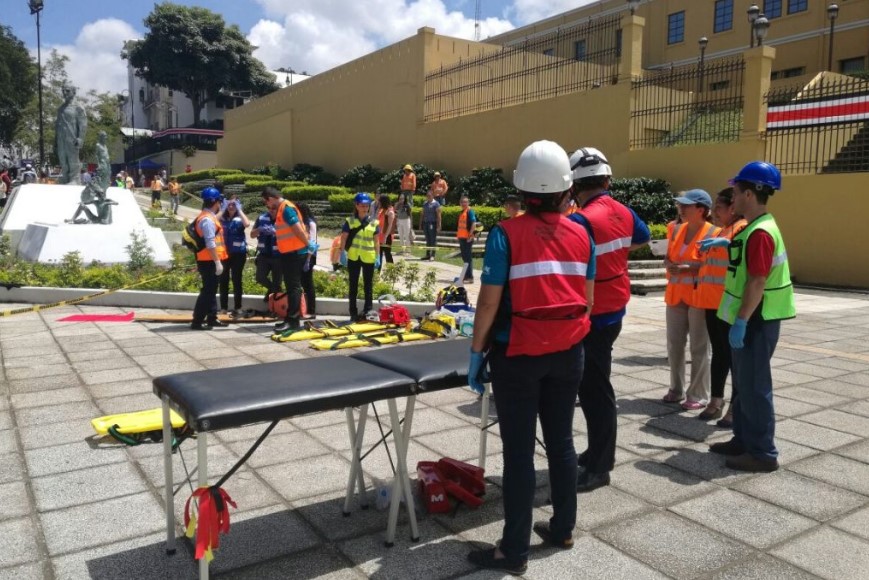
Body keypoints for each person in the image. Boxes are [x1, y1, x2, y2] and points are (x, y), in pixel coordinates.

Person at [466, 140, 595, 575]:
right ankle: (563, 529)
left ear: (521, 190)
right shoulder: (582, 233)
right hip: (569, 352)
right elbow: (588, 300)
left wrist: (476, 352)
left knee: (519, 453)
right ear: (566, 189)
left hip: (518, 356)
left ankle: (513, 551)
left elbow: (488, 303)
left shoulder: (505, 234)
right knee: (561, 443)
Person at [566, 147, 651, 493]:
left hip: (593, 316)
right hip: (615, 310)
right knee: (595, 386)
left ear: (573, 186)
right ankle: (596, 453)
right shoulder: (624, 211)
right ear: (607, 180)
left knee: (595, 391)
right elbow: (642, 238)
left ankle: (600, 467)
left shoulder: (580, 221)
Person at [708, 161, 794, 473]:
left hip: (757, 319)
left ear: (748, 194)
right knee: (744, 384)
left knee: (755, 387)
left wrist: (742, 321)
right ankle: (743, 440)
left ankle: (763, 453)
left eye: (735, 191)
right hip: (751, 319)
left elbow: (757, 281)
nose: (732, 196)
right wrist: (727, 242)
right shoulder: (753, 227)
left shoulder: (760, 232)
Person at [694, 187, 747, 424]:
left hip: (728, 304)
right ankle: (716, 401)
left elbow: (739, 252)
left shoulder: (741, 228)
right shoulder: (723, 229)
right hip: (712, 303)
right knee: (720, 354)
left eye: (719, 207)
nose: (714, 212)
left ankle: (736, 407)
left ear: (733, 208)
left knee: (733, 358)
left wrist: (724, 243)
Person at [663, 189, 718, 409]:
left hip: (699, 296)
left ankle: (698, 394)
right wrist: (669, 264)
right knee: (674, 345)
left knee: (699, 346)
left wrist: (687, 268)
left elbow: (713, 265)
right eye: (680, 205)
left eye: (686, 205)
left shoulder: (714, 233)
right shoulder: (676, 229)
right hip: (676, 295)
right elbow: (668, 257)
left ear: (701, 210)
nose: (681, 209)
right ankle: (676, 389)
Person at [261, 187, 312, 332]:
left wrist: (308, 244)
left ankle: (293, 322)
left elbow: (297, 229)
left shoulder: (286, 209)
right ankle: (290, 319)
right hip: (290, 252)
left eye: (266, 202)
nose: (267, 206)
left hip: (295, 252)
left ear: (270, 198)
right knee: (291, 287)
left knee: (293, 287)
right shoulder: (284, 208)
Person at [191, 187, 229, 331]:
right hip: (209, 261)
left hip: (209, 259)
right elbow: (210, 243)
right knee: (208, 291)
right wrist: (217, 262)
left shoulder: (208, 216)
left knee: (211, 290)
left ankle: (212, 318)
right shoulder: (207, 219)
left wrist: (222, 210)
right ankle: (197, 321)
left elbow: (214, 222)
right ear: (216, 202)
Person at [339, 193, 380, 321]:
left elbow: (376, 241)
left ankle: (368, 310)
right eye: (362, 205)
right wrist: (342, 253)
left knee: (368, 286)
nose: (364, 208)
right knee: (353, 286)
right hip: (353, 257)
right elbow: (343, 238)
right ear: (356, 206)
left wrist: (378, 256)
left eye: (366, 206)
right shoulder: (350, 221)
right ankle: (353, 312)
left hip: (369, 257)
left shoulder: (374, 222)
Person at [217, 197, 250, 318]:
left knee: (237, 280)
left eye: (234, 205)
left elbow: (247, 224)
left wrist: (239, 210)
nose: (231, 207)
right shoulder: (222, 218)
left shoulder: (240, 218)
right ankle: (223, 308)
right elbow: (213, 220)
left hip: (238, 254)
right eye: (229, 204)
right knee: (223, 281)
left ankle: (238, 307)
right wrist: (222, 209)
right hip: (224, 253)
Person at [55, 83, 87, 185]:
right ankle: (65, 176)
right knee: (62, 157)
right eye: (63, 91)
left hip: (72, 137)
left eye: (67, 91)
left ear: (74, 92)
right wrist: (55, 140)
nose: (65, 93)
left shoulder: (78, 107)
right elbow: (57, 124)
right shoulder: (61, 108)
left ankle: (75, 178)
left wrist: (80, 138)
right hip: (61, 137)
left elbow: (83, 124)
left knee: (72, 158)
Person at [251, 206, 283, 300]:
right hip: (263, 255)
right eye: (269, 208)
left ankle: (274, 302)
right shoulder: (261, 218)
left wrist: (276, 233)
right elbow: (252, 235)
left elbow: (290, 236)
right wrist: (259, 229)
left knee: (277, 281)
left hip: (278, 256)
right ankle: (275, 290)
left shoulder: (284, 220)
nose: (271, 210)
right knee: (260, 278)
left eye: (274, 208)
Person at [297, 201, 319, 319]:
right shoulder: (299, 223)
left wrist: (308, 260)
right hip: (300, 255)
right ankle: (302, 309)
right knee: (301, 283)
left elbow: (312, 242)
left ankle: (311, 310)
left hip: (309, 256)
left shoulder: (310, 223)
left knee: (308, 283)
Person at [456, 196, 478, 284]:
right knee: (464, 257)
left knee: (468, 258)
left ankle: (470, 277)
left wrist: (470, 235)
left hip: (467, 238)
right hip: (461, 237)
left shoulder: (470, 211)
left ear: (468, 203)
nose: (463, 203)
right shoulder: (462, 212)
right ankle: (466, 275)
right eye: (462, 202)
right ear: (460, 203)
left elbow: (473, 223)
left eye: (465, 202)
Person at [419, 189, 442, 261]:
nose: (428, 197)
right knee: (427, 240)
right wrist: (420, 224)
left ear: (433, 196)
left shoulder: (436, 204)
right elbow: (422, 214)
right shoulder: (425, 204)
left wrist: (439, 225)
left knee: (433, 240)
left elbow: (439, 215)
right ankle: (427, 254)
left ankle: (433, 255)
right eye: (427, 195)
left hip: (433, 224)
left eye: (429, 195)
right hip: (426, 223)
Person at [376, 194, 395, 271]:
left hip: (387, 236)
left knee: (387, 254)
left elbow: (390, 225)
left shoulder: (390, 212)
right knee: (379, 254)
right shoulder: (381, 211)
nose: (379, 203)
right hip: (379, 235)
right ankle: (377, 272)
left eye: (380, 201)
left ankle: (391, 271)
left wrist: (385, 237)